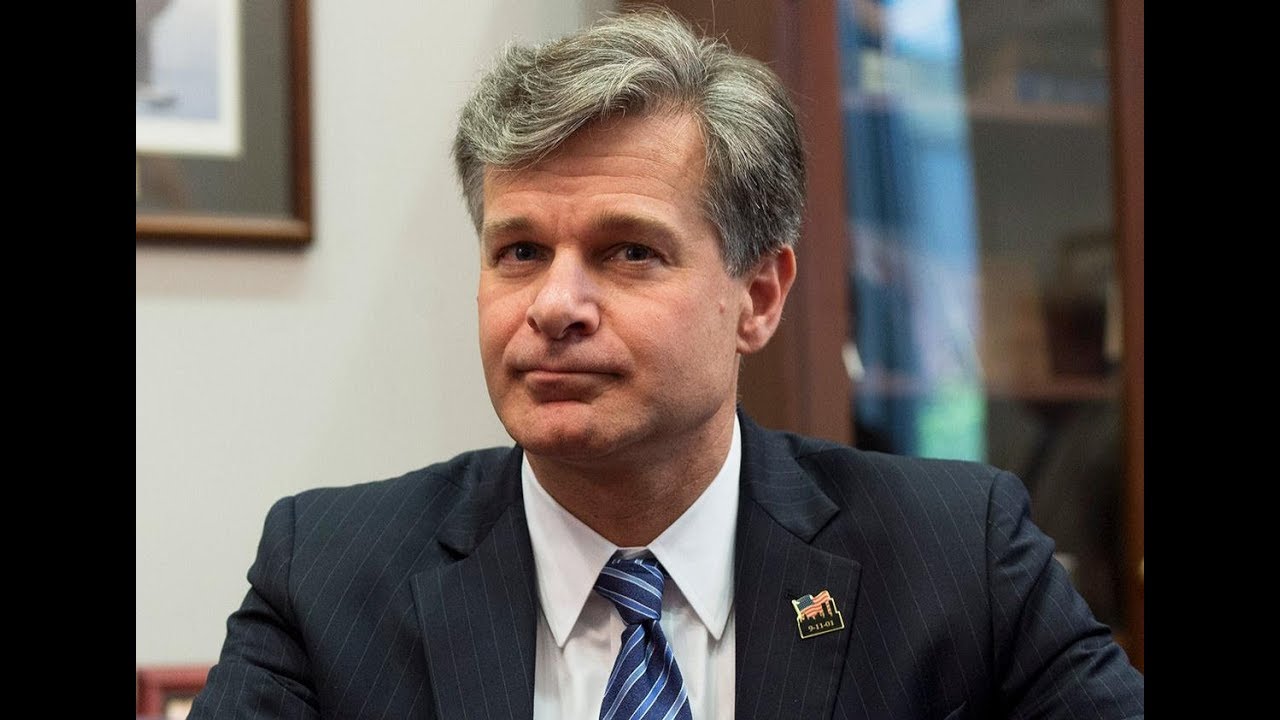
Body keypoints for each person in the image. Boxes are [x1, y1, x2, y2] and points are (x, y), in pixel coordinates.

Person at [188, 8, 1144, 719]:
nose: (554, 305)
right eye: (519, 252)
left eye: (628, 252)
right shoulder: (327, 574)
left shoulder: (956, 557)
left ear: (757, 297)